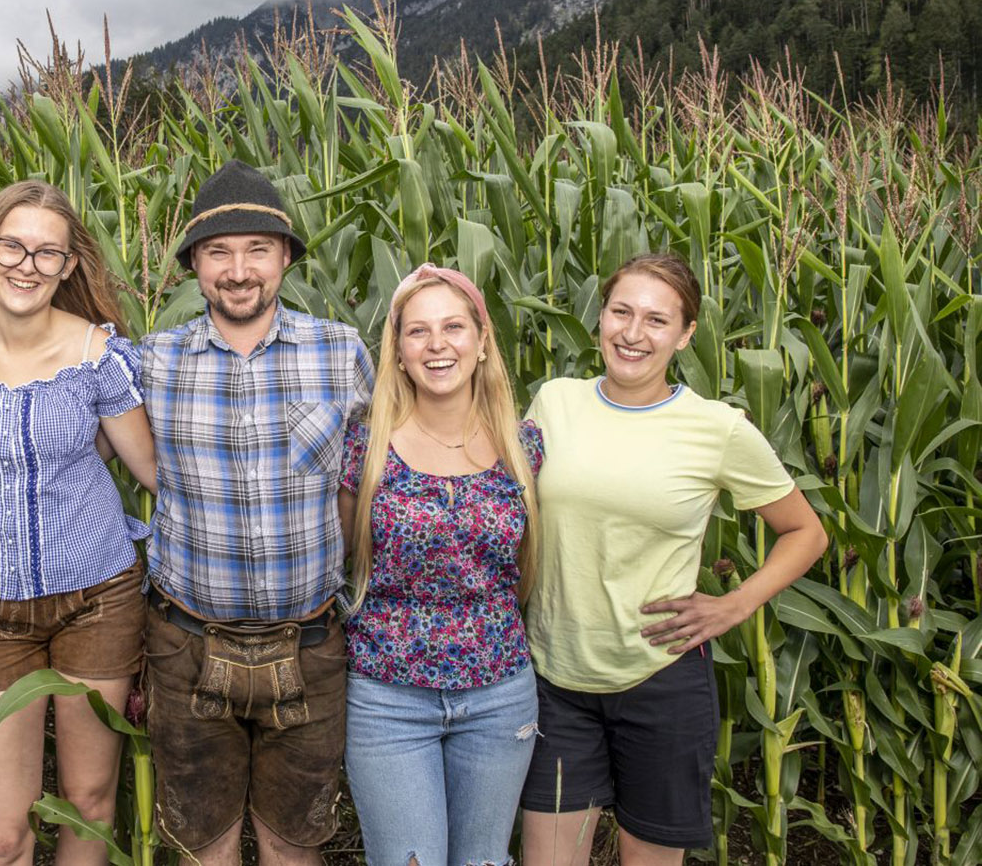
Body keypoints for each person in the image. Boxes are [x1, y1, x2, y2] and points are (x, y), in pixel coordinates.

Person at [517, 252, 829, 866]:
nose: (633, 334)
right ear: (600, 316)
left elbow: (806, 532)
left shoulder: (717, 428)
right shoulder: (553, 403)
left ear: (686, 335)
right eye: (620, 312)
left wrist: (734, 605)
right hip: (553, 677)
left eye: (657, 321)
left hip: (660, 680)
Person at [140, 160, 374, 865]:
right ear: (192, 265)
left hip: (309, 648)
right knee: (200, 844)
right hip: (186, 647)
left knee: (294, 845)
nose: (238, 270)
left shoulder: (341, 352)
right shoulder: (152, 362)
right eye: (218, 252)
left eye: (257, 250)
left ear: (287, 258)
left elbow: (376, 480)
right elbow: (75, 458)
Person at [0, 181, 157, 866]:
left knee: (87, 804)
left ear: (69, 266)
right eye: (13, 245)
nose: (27, 264)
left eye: (47, 252)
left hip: (98, 598)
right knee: (0, 833)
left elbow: (155, 472)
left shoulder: (97, 354)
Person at [337, 265, 542, 866]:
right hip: (387, 696)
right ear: (397, 353)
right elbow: (339, 558)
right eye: (417, 332)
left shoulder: (524, 446)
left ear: (482, 342)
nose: (437, 345)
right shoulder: (365, 446)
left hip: (500, 691)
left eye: (454, 327)